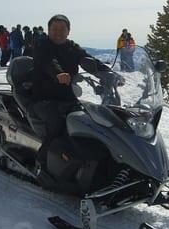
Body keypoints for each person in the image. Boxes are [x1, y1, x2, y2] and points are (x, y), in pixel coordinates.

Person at [31, 14, 112, 168]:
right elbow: (48, 61)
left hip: (69, 97)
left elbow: (87, 59)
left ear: (68, 31)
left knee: (93, 120)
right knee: (58, 123)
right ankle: (43, 161)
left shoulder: (72, 47)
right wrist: (58, 73)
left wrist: (108, 74)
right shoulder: (42, 45)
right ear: (48, 30)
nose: (58, 32)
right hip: (44, 98)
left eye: (62, 29)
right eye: (54, 29)